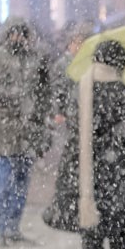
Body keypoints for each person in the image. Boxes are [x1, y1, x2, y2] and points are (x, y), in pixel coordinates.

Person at [0, 17, 51, 246]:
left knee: (21, 183)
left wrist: (41, 118)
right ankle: (3, 228)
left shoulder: (35, 59)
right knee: (2, 182)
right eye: (13, 33)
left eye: (21, 33)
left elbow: (43, 91)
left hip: (27, 130)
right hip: (2, 129)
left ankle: (14, 227)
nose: (17, 38)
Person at [76, 40, 125, 249]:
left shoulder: (81, 88)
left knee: (91, 235)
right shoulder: (123, 92)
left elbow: (74, 132)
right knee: (119, 235)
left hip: (87, 175)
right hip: (119, 174)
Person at [43, 22, 93, 231]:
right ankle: (66, 206)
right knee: (69, 164)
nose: (79, 46)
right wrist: (58, 112)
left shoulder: (86, 64)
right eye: (77, 42)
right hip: (69, 121)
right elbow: (56, 90)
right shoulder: (63, 64)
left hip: (82, 120)